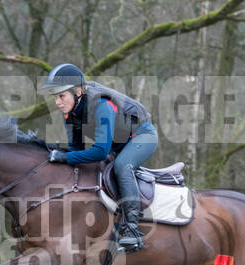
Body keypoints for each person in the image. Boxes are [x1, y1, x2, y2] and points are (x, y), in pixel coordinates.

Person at [40, 63, 158, 253]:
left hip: (142, 137)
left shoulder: (102, 105)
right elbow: (75, 150)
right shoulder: (69, 112)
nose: (57, 102)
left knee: (122, 166)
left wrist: (65, 157)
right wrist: (61, 156)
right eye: (55, 97)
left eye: (61, 96)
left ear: (78, 92)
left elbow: (100, 152)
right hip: (116, 144)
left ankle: (133, 231)